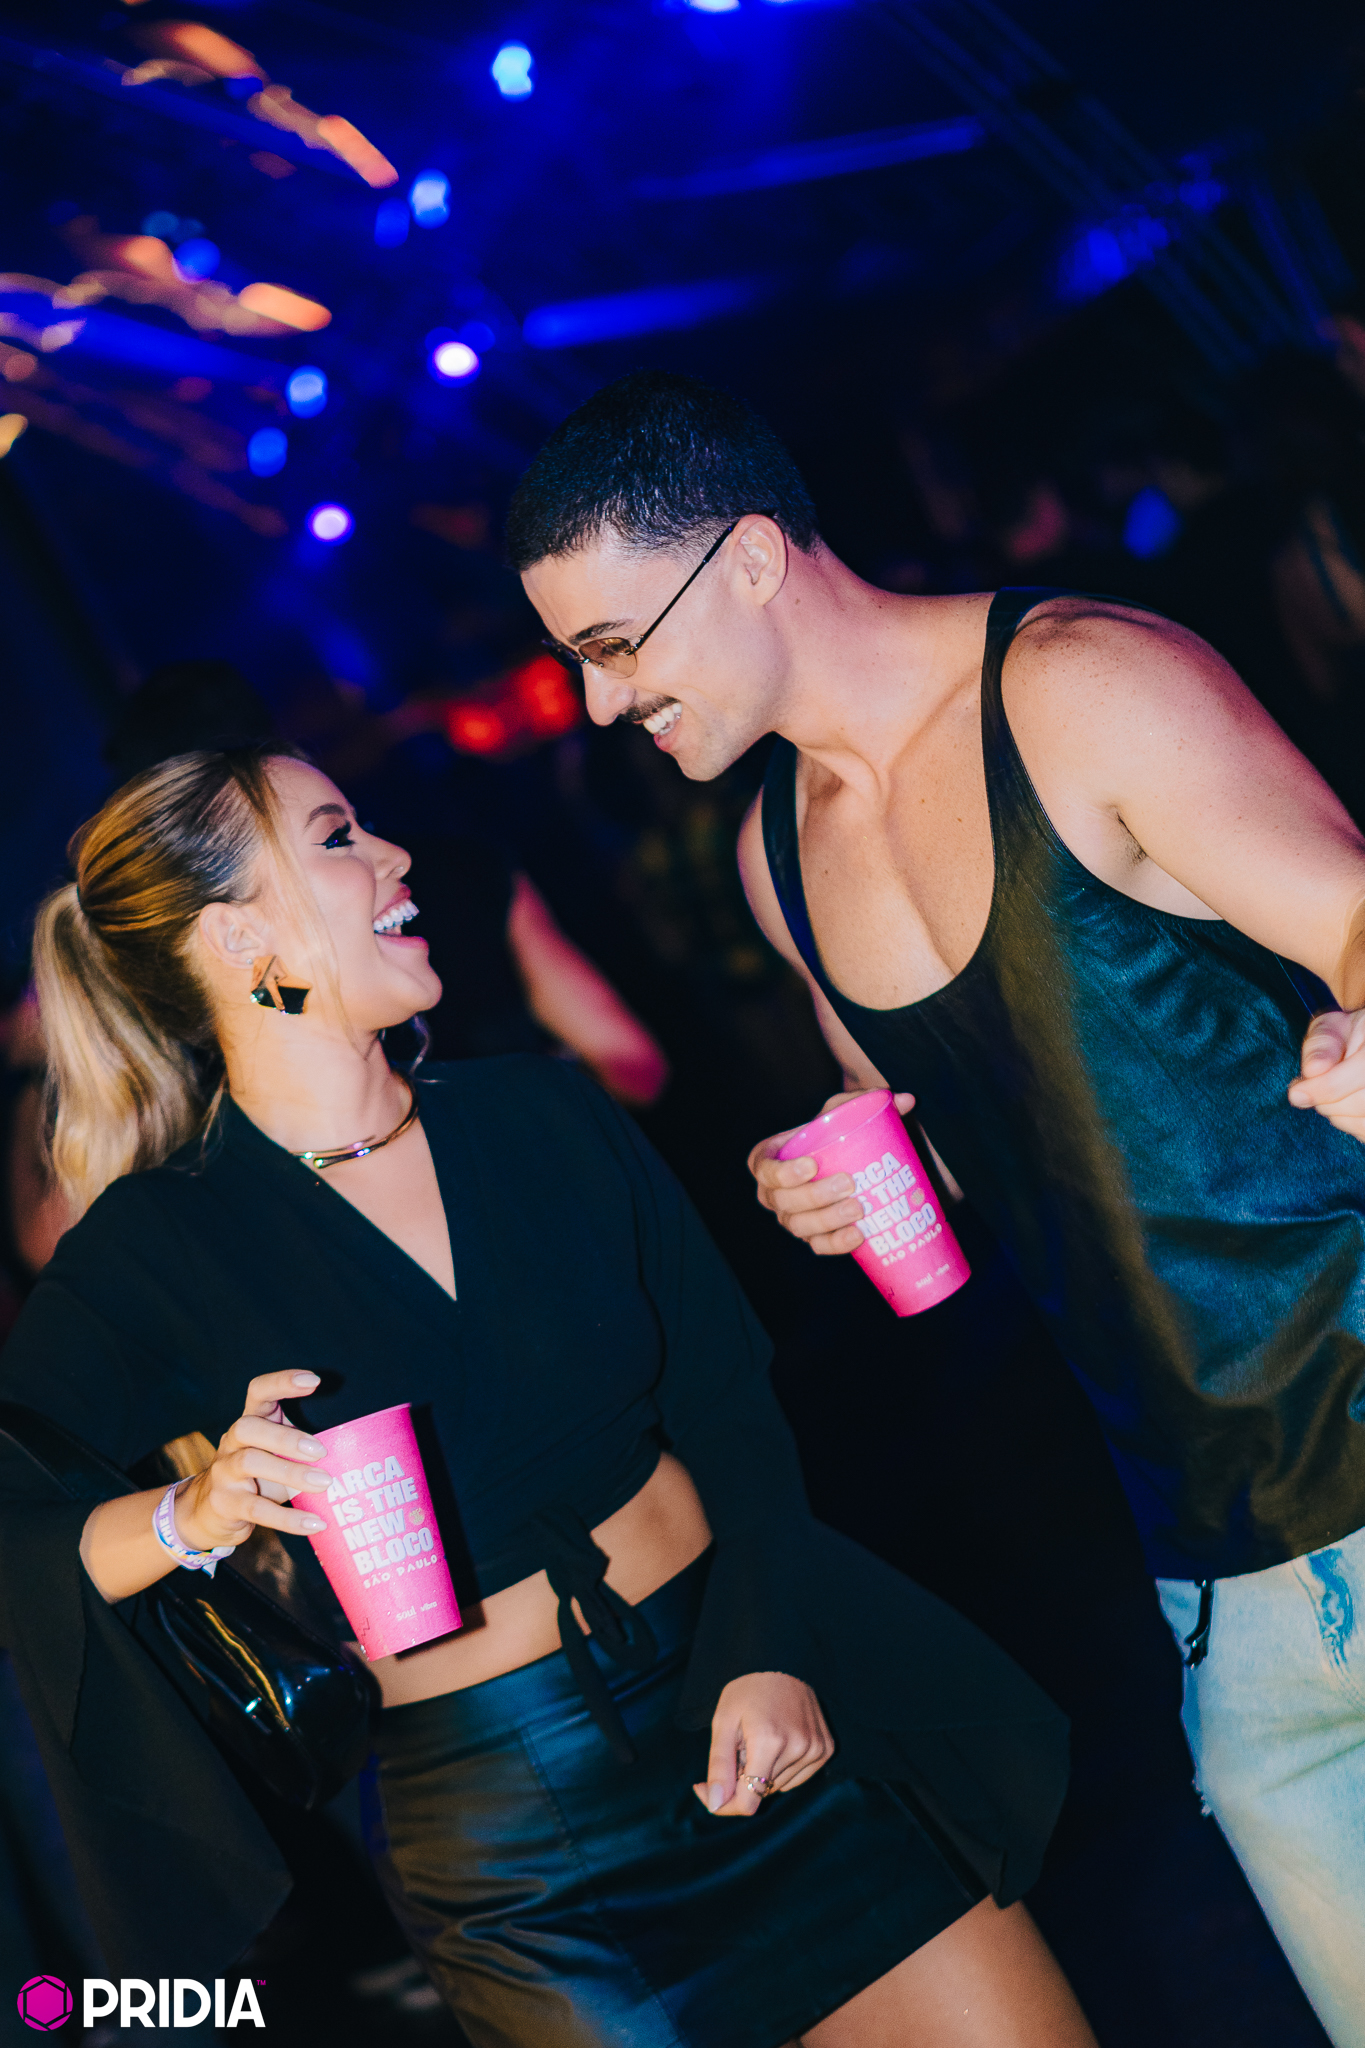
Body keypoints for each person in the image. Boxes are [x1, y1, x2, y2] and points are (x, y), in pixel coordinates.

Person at [507, 368, 1365, 2048]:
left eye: (614, 645)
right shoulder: (777, 851)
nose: (601, 704)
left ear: (754, 560)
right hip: (1217, 1571)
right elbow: (960, 1131)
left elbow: (1348, 913)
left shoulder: (1076, 685)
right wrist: (844, 1175)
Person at [0, 744, 1092, 2048]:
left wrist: (766, 1645)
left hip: (760, 1690)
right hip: (531, 1846)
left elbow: (729, 1404)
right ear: (241, 938)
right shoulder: (161, 1245)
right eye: (338, 837)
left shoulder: (540, 1113)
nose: (395, 855)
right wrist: (191, 1514)